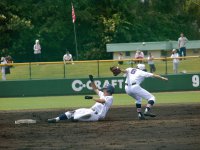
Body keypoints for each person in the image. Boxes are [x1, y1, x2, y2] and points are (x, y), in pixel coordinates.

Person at [48, 75, 114, 123]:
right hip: (90, 110)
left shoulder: (110, 98)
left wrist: (92, 98)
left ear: (108, 90)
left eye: (105, 88)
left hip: (97, 115)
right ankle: (56, 119)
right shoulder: (102, 94)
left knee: (87, 114)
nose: (104, 89)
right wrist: (92, 80)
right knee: (73, 112)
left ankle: (77, 118)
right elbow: (95, 88)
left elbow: (102, 101)